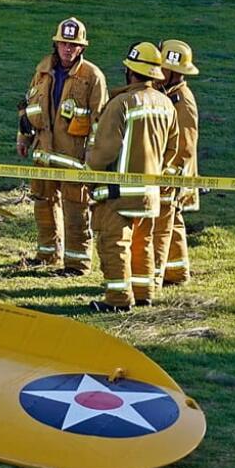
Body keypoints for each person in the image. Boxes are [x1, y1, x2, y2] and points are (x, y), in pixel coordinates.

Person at [87, 42, 179, 312]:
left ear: (129, 71)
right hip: (150, 194)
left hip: (119, 195)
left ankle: (117, 300)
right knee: (143, 244)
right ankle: (143, 293)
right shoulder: (166, 105)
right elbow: (172, 150)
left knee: (114, 245)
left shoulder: (121, 104)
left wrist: (88, 168)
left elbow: (104, 152)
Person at [17, 18, 108, 273]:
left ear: (82, 48)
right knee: (43, 204)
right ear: (56, 44)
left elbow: (99, 121)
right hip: (43, 153)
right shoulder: (42, 71)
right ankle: (47, 255)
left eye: (74, 45)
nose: (68, 49)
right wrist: (23, 138)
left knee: (76, 209)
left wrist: (93, 155)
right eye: (64, 44)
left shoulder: (92, 77)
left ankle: (77, 263)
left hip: (74, 159)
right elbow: (29, 108)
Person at [151, 40, 200, 286]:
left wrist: (169, 175)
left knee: (162, 222)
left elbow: (187, 145)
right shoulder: (168, 94)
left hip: (172, 174)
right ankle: (177, 272)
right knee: (174, 221)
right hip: (169, 172)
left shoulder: (182, 100)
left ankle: (155, 275)